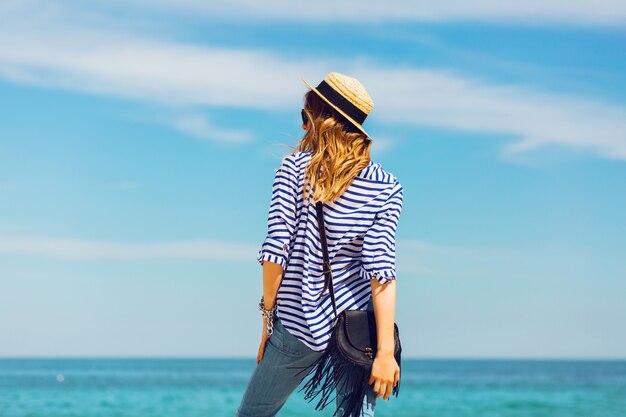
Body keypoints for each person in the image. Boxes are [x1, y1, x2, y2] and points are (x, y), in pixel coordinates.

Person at [235, 72, 404, 417]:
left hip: (299, 322)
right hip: (357, 330)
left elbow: (275, 253)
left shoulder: (294, 170)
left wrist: (268, 321)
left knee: (253, 414)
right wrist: (385, 352)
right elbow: (381, 273)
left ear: (320, 119)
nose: (301, 127)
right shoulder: (386, 187)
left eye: (304, 116)